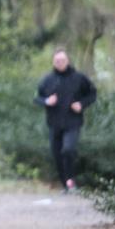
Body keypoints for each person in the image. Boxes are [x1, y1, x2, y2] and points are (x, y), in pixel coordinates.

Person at [33, 47, 97, 193]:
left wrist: (81, 104)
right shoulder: (47, 80)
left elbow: (92, 94)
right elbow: (37, 97)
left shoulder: (79, 78)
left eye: (62, 60)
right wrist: (47, 101)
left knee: (68, 150)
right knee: (57, 155)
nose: (60, 63)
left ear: (67, 60)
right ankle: (65, 185)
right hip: (54, 123)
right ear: (53, 62)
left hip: (73, 122)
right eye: (57, 61)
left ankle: (71, 182)